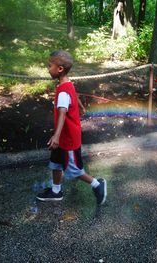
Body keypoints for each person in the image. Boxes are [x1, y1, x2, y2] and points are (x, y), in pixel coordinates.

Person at [36, 50, 107, 205]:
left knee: (74, 169)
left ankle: (97, 184)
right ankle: (56, 191)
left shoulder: (63, 90)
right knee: (55, 162)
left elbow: (62, 113)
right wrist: (80, 106)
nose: (48, 69)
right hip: (62, 136)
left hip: (68, 139)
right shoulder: (67, 84)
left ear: (59, 69)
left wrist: (56, 136)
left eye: (50, 66)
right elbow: (74, 97)